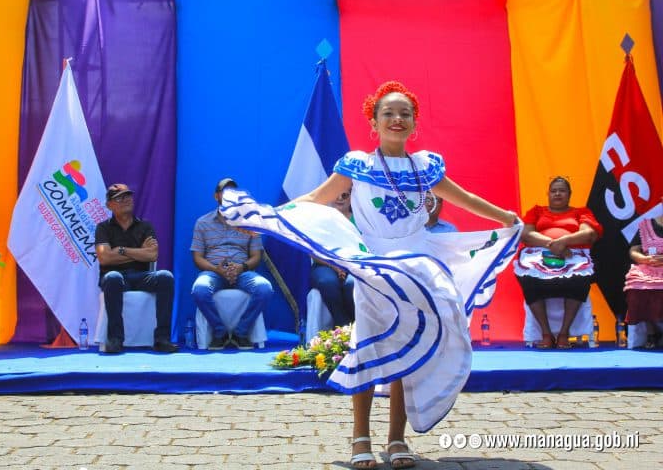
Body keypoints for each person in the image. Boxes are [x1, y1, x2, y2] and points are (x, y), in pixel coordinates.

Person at [218, 81, 520, 469]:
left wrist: (504, 217)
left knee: (408, 351)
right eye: (388, 113)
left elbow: (467, 199)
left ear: (415, 124)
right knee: (369, 347)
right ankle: (360, 435)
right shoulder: (358, 165)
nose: (397, 119)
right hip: (373, 268)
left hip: (417, 266)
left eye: (405, 113)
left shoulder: (426, 167)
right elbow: (314, 200)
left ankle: (397, 439)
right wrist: (267, 220)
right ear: (373, 122)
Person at [514, 176, 602, 350]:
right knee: (527, 278)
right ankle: (546, 333)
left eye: (562, 190)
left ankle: (564, 333)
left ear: (569, 194)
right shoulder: (537, 211)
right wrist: (553, 244)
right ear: (548, 194)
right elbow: (525, 235)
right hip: (540, 255)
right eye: (553, 191)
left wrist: (564, 242)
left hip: (573, 256)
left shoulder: (581, 212)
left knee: (580, 280)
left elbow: (589, 234)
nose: (557, 194)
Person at [191, 178, 273, 350]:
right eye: (224, 192)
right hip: (214, 272)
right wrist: (216, 269)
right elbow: (197, 258)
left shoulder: (249, 222)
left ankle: (240, 333)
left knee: (264, 288)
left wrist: (241, 267)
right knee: (200, 289)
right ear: (216, 196)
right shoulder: (203, 222)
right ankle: (219, 332)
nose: (229, 195)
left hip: (242, 271)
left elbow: (256, 256)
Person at [95, 183, 178, 354]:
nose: (126, 200)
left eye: (128, 196)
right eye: (119, 198)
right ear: (109, 205)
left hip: (141, 276)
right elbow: (104, 258)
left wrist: (121, 250)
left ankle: (162, 339)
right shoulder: (103, 228)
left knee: (165, 276)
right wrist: (139, 252)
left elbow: (152, 255)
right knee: (113, 277)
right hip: (116, 277)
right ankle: (115, 339)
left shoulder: (145, 226)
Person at [310, 188, 356, 328]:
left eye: (344, 195)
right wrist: (334, 266)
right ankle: (342, 327)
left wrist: (347, 266)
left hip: (354, 265)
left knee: (351, 285)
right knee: (327, 282)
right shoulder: (321, 219)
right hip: (324, 264)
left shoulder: (361, 220)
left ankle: (356, 327)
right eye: (336, 194)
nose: (339, 198)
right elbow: (313, 252)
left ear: (352, 197)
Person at [624, 200, 663, 349]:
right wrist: (643, 259)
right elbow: (633, 250)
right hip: (648, 268)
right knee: (638, 287)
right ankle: (652, 333)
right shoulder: (646, 225)